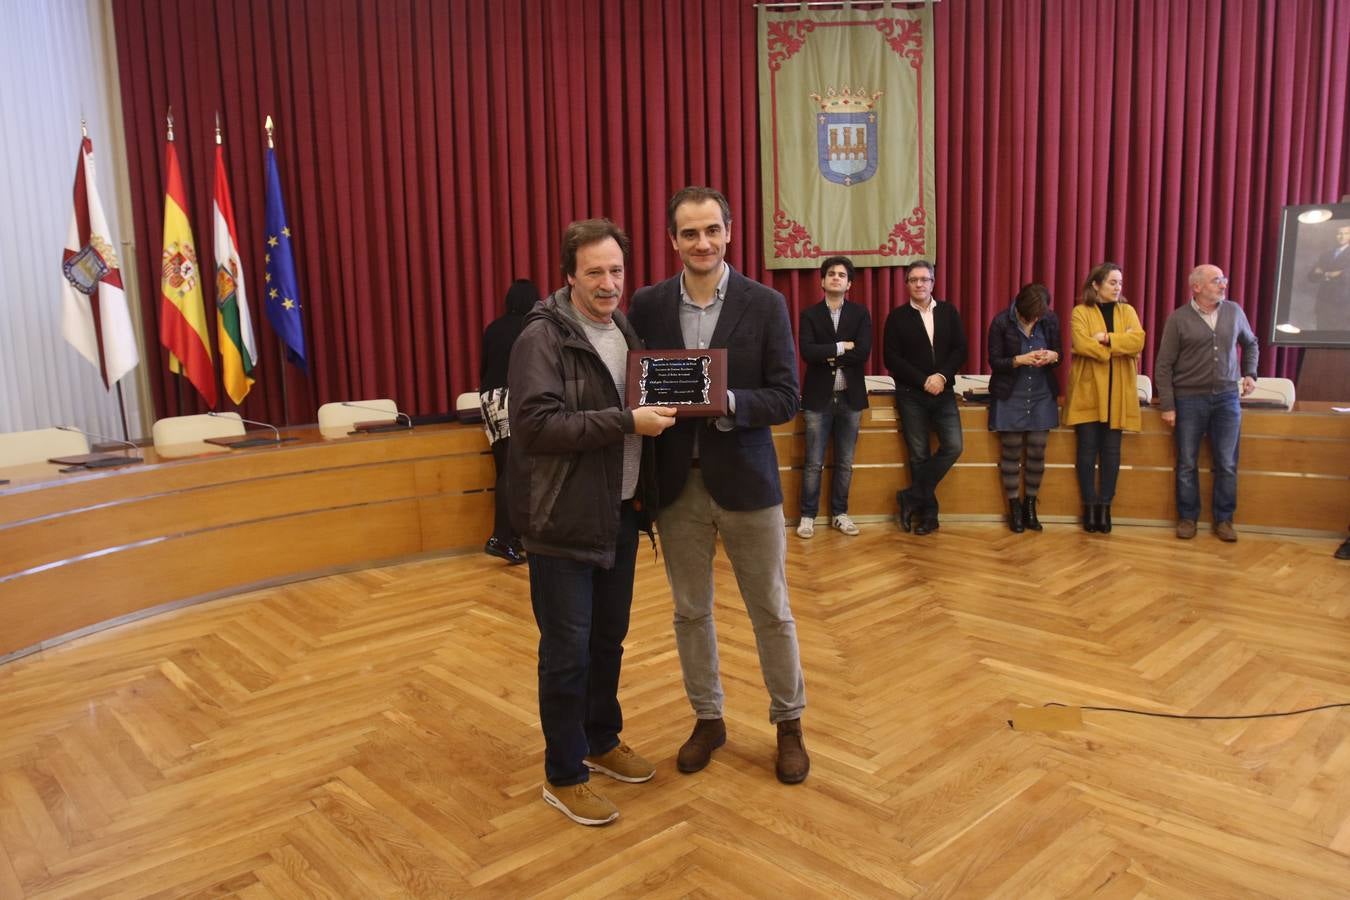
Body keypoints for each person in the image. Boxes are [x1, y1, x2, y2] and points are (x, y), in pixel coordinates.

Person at [628, 186, 810, 785]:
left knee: (772, 613)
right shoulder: (648, 305)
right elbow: (636, 384)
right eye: (688, 233)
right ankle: (709, 718)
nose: (701, 243)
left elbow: (786, 396)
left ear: (730, 232)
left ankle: (789, 724)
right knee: (689, 612)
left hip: (748, 482)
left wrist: (725, 400)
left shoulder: (766, 304)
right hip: (677, 488)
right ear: (672, 240)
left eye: (711, 230)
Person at [507, 219, 677, 826]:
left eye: (616, 271)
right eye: (595, 273)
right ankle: (564, 772)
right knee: (567, 653)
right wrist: (628, 421)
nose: (609, 284)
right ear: (569, 276)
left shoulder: (623, 327)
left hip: (619, 515)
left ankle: (601, 740)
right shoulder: (541, 338)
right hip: (562, 523)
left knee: (607, 642)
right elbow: (536, 428)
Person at [1154, 264, 1259, 542]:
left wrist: (1250, 372)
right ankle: (1188, 518)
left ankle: (1224, 520)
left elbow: (1251, 343)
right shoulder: (1178, 319)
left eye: (1223, 279)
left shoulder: (1234, 311)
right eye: (1216, 281)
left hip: (1227, 398)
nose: (1223, 285)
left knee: (1226, 462)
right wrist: (1167, 404)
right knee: (1187, 462)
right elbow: (1163, 365)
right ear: (1197, 287)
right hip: (1189, 399)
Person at [882, 259, 967, 535]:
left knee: (953, 446)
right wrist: (923, 380)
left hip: (943, 392)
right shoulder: (896, 317)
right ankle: (928, 516)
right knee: (918, 455)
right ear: (906, 284)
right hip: (911, 394)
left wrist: (941, 377)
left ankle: (911, 496)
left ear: (933, 282)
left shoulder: (949, 312)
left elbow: (959, 350)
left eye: (925, 279)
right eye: (914, 280)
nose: (920, 284)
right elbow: (891, 358)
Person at [1061, 262, 1145, 534]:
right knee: (1086, 452)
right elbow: (1082, 343)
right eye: (1112, 282)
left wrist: (1107, 338)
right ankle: (1090, 505)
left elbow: (1139, 341)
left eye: (1120, 282)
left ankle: (1106, 506)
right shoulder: (1080, 312)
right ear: (1095, 285)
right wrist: (1120, 347)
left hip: (1118, 392)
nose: (1118, 287)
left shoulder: (1128, 310)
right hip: (1089, 391)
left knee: (1111, 454)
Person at [796, 255, 872, 539]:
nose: (836, 278)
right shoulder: (810, 315)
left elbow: (863, 352)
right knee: (813, 461)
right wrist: (841, 347)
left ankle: (840, 514)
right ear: (822, 281)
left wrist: (828, 354)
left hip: (850, 397)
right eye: (831, 274)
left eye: (842, 274)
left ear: (849, 283)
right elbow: (808, 352)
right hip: (818, 397)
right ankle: (807, 515)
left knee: (845, 461)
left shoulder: (860, 314)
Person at [986, 283, 1061, 533]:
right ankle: (1014, 507)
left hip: (1041, 393)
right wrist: (1018, 360)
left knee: (1038, 450)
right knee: (1011, 451)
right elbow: (994, 361)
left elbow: (1059, 352)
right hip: (1011, 394)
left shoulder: (1049, 320)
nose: (1035, 320)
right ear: (1019, 307)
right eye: (1030, 316)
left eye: (1039, 316)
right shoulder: (1000, 322)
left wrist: (1053, 356)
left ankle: (1030, 504)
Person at [478, 278, 538, 564]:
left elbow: (484, 368)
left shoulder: (493, 328)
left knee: (504, 469)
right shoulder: (532, 327)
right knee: (514, 472)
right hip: (513, 398)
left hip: (489, 399)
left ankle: (511, 536)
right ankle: (501, 537)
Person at [1307, 224, 1350, 331]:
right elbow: (1312, 277)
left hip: (1343, 305)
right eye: (1339, 233)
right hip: (1323, 303)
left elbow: (1345, 275)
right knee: (1321, 334)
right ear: (1335, 235)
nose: (1342, 236)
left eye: (1346, 233)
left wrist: (1339, 273)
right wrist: (1328, 274)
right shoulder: (1326, 254)